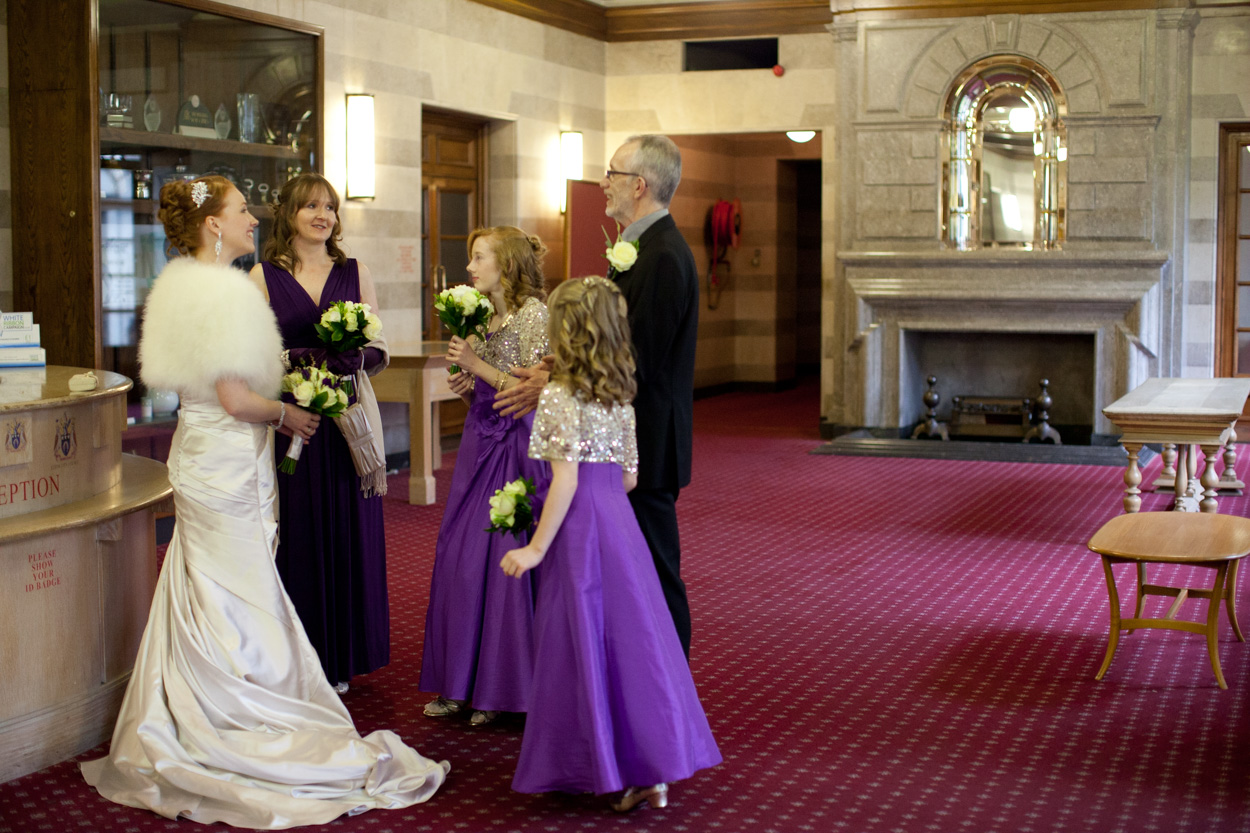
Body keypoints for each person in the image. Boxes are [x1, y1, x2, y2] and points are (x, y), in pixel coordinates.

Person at [81, 175, 448, 829]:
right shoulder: (219, 293)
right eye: (243, 209)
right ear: (214, 224)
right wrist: (287, 412)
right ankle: (233, 714)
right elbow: (232, 397)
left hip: (209, 454)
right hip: (224, 456)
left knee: (208, 589)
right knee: (237, 586)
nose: (255, 216)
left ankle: (201, 704)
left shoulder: (184, 284)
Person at [499, 276, 719, 811]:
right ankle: (651, 766)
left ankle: (597, 763)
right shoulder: (621, 393)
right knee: (631, 641)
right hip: (620, 525)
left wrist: (535, 548)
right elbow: (628, 479)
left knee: (580, 642)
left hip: (577, 530)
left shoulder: (557, 396)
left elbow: (567, 481)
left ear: (565, 332)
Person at [496, 134, 699, 657]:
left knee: (654, 571)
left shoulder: (664, 257)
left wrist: (559, 382)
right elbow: (617, 344)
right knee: (632, 571)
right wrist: (560, 364)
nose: (602, 183)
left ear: (639, 184)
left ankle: (669, 682)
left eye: (611, 173)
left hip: (645, 442)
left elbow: (641, 361)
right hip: (623, 440)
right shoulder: (642, 248)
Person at [248, 173, 390, 694]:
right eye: (310, 206)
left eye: (328, 207)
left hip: (347, 421)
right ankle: (302, 655)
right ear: (289, 213)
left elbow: (380, 346)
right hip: (294, 422)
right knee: (299, 531)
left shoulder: (356, 272)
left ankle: (344, 655)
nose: (322, 215)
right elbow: (252, 354)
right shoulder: (262, 278)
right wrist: (294, 360)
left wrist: (362, 356)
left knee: (350, 525)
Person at [419, 226, 551, 725]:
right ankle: (458, 681)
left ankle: (501, 691)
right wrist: (465, 385)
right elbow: (484, 391)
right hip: (479, 442)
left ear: (508, 265)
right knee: (456, 552)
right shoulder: (480, 316)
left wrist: (476, 364)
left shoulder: (535, 315)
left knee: (497, 556)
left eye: (479, 258)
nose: (470, 267)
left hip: (516, 447)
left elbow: (529, 391)